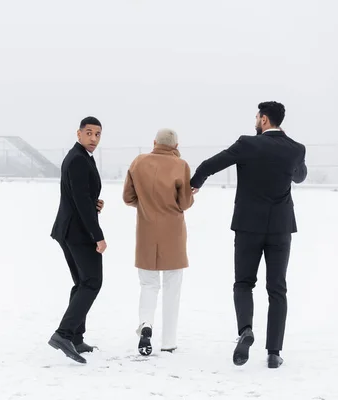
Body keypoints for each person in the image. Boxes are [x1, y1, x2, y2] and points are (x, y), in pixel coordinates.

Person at [189, 101, 307, 369]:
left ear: (264, 120)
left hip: (247, 226)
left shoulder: (247, 144)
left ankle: (246, 330)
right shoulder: (296, 149)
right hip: (280, 227)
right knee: (277, 289)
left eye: (257, 117)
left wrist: (195, 183)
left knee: (243, 283)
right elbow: (299, 177)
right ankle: (274, 352)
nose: (255, 121)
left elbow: (210, 164)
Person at [123, 129, 194, 356]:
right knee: (172, 288)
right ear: (176, 145)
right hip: (173, 233)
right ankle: (169, 342)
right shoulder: (180, 165)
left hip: (146, 231)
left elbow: (128, 197)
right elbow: (184, 202)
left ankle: (146, 324)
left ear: (154, 142)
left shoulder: (138, 162)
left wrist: (146, 206)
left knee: (148, 285)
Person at [48, 116, 107, 364]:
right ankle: (63, 334)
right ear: (79, 134)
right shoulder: (78, 160)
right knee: (92, 282)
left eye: (98, 134)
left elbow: (80, 196)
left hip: (70, 229)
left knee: (82, 283)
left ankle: (76, 337)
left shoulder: (79, 157)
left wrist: (94, 203)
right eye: (89, 133)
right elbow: (81, 202)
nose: (94, 138)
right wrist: (98, 236)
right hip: (78, 232)